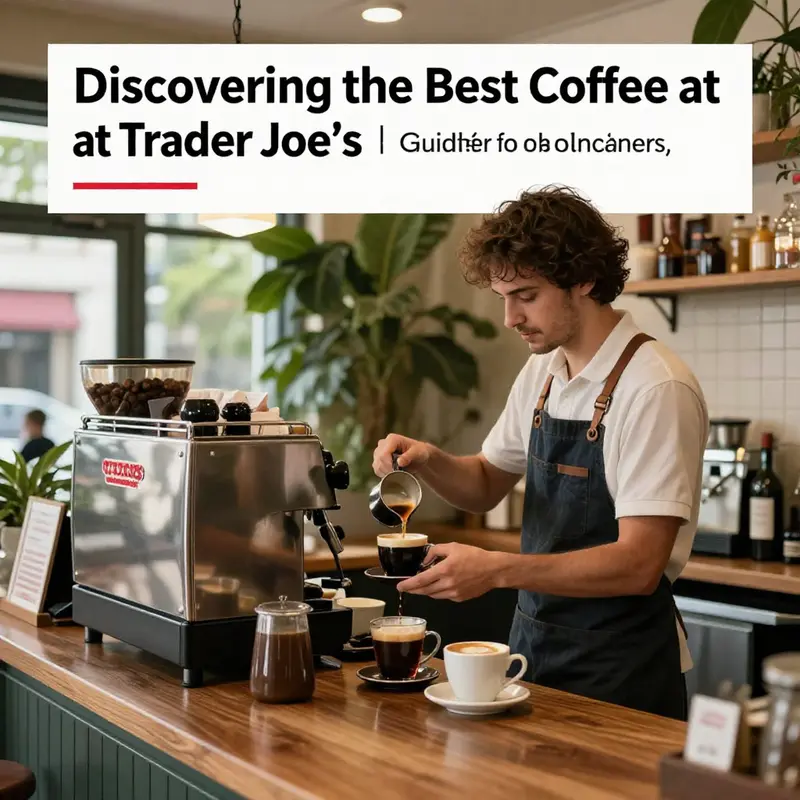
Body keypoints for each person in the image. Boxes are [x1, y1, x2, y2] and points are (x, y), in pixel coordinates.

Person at [372, 186, 708, 721]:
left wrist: (495, 570)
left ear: (584, 279)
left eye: (526, 295)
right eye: (503, 297)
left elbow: (639, 565)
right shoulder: (544, 372)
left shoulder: (655, 387)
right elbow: (486, 482)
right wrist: (428, 459)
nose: (510, 317)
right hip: (533, 653)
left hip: (621, 672)